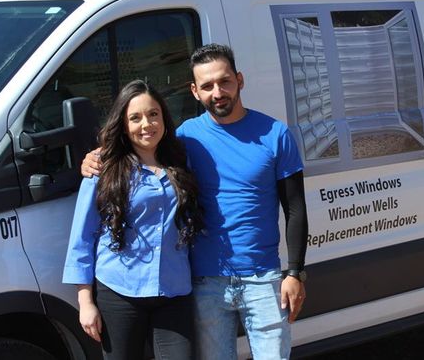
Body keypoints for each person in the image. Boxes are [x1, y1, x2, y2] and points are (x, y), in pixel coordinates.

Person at [82, 44, 309, 360]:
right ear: (194, 91)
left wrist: (295, 272)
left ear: (239, 80)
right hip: (205, 281)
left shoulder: (275, 134)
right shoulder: (185, 138)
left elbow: (295, 207)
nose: (218, 92)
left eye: (225, 81)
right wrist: (96, 159)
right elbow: (140, 150)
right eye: (207, 86)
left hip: (263, 279)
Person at [65, 79, 203, 360]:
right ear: (123, 124)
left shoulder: (181, 161)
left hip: (173, 291)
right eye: (135, 118)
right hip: (119, 291)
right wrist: (85, 301)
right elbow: (83, 235)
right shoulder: (103, 167)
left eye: (153, 114)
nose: (146, 124)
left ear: (164, 118)